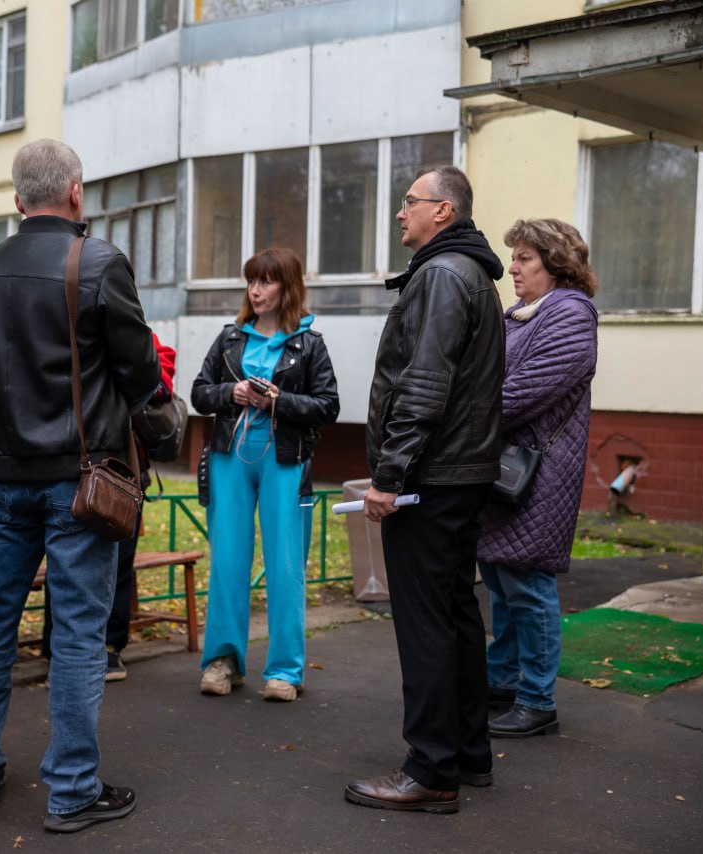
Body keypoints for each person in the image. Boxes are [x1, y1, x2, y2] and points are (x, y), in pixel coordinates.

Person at [0, 138, 159, 833]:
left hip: (7, 481)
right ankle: (71, 789)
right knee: (75, 633)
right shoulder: (97, 262)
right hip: (81, 483)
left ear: (17, 201)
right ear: (76, 192)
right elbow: (139, 376)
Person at [345, 165, 504, 815]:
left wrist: (388, 476)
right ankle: (467, 753)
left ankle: (431, 769)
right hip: (460, 476)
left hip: (430, 481)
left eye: (410, 202)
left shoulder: (441, 276)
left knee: (427, 623)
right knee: (458, 615)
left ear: (444, 211)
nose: (400, 212)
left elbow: (425, 386)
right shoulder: (468, 274)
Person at [190, 247, 339, 702]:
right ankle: (222, 661)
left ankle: (285, 671)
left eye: (267, 281)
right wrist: (230, 392)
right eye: (251, 281)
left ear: (287, 287)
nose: (255, 290)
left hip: (286, 461)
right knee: (228, 563)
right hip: (228, 459)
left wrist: (278, 401)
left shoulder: (309, 343)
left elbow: (328, 407)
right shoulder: (230, 337)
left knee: (285, 566)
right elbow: (199, 393)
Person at [478, 219, 599, 738]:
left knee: (528, 583)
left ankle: (538, 700)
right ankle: (501, 684)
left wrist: (460, 419)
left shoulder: (570, 315)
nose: (513, 267)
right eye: (515, 257)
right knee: (504, 583)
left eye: (525, 258)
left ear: (556, 263)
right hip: (507, 468)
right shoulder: (521, 315)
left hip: (538, 475)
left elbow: (521, 392)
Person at [40, 330, 177, 682]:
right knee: (64, 559)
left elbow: (162, 382)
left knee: (118, 561)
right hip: (71, 463)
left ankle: (110, 648)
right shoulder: (64, 332)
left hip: (123, 469)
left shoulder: (139, 334)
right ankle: (56, 646)